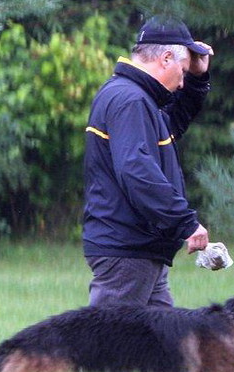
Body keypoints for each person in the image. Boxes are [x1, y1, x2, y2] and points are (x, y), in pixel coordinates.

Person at [82, 16, 214, 307]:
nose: (181, 83)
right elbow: (136, 170)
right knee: (107, 347)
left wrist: (196, 80)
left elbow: (169, 127)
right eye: (182, 71)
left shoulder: (137, 98)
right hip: (126, 252)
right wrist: (184, 222)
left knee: (161, 348)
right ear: (166, 58)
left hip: (139, 250)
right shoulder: (130, 101)